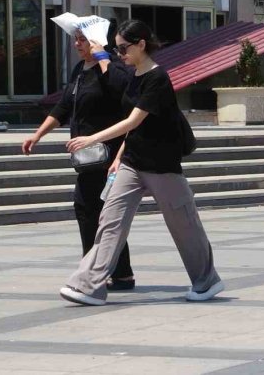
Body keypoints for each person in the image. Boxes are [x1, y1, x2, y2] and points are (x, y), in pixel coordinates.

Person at [58, 20, 222, 306]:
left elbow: (133, 120)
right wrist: (119, 157)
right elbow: (133, 128)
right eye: (116, 48)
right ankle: (89, 285)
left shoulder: (158, 78)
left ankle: (206, 280)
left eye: (123, 48)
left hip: (161, 164)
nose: (119, 53)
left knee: (184, 224)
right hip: (132, 162)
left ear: (141, 44)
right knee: (110, 221)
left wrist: (90, 139)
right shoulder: (133, 75)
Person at [22, 27, 136, 291]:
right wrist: (37, 135)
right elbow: (63, 107)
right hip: (86, 156)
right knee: (94, 212)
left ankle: (98, 272)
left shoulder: (112, 69)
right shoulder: (79, 71)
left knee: (93, 211)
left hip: (109, 154)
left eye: (83, 39)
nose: (77, 44)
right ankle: (118, 273)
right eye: (75, 39)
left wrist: (103, 57)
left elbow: (124, 99)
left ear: (97, 41)